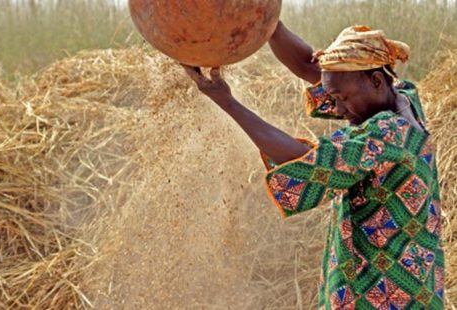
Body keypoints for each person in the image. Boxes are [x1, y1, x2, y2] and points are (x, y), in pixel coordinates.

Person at [182, 22, 445, 310]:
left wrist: (227, 101)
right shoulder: (404, 97)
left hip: (383, 292)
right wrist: (266, 20)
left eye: (342, 99)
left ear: (376, 82)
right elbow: (311, 67)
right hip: (418, 284)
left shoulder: (382, 137)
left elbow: (301, 158)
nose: (338, 109)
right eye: (333, 98)